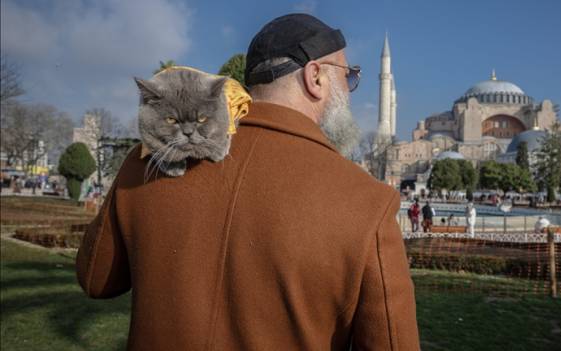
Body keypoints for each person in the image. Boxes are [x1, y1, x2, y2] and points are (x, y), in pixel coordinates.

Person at [75, 14, 420, 350]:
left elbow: (95, 279)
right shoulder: (367, 202)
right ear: (315, 77)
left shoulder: (148, 163)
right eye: (349, 77)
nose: (351, 88)